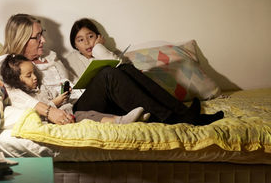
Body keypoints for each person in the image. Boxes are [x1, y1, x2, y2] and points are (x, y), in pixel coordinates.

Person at [66, 18, 224, 126]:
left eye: (90, 36)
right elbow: (72, 90)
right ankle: (169, 118)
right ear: (75, 45)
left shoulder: (109, 53)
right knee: (109, 72)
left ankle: (184, 113)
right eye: (80, 40)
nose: (87, 42)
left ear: (99, 37)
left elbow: (123, 67)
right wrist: (98, 48)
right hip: (85, 108)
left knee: (125, 68)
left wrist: (102, 50)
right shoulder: (71, 60)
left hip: (113, 104)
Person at [0, 53, 149, 124]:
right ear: (16, 80)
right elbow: (38, 112)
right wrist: (55, 103)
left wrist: (63, 93)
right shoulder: (22, 96)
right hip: (66, 115)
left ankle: (128, 119)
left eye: (34, 73)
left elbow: (50, 97)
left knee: (124, 70)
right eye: (29, 75)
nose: (34, 77)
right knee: (88, 115)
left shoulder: (39, 87)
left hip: (71, 106)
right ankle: (120, 121)